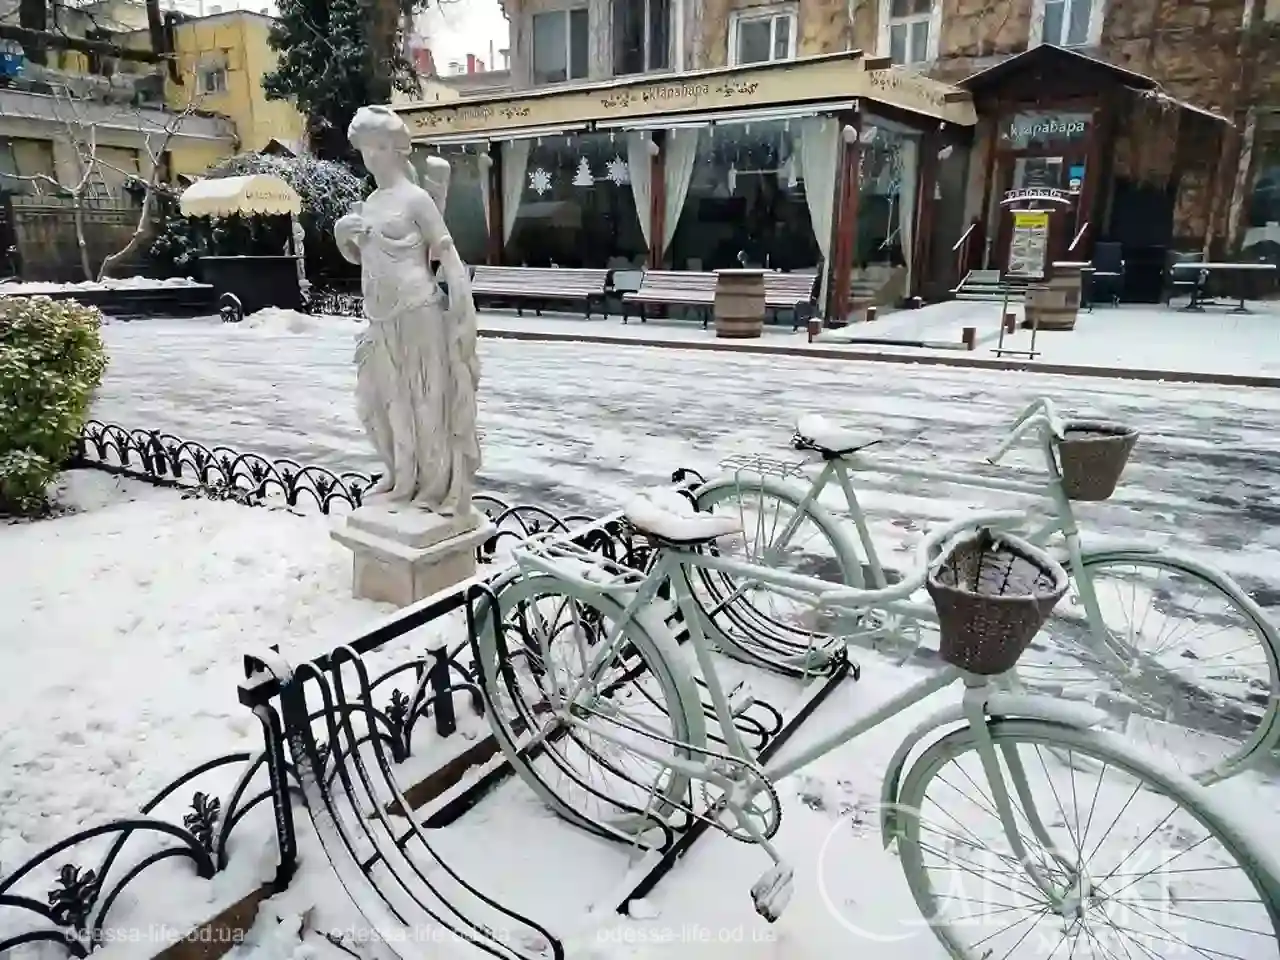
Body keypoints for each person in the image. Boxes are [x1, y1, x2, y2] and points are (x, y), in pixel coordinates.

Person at [334, 105, 480, 518]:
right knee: (383, 402)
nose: (373, 155)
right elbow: (363, 257)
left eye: (381, 146)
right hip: (380, 316)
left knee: (425, 401)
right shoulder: (371, 202)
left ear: (398, 149)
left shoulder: (416, 199)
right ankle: (402, 476)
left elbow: (445, 251)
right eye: (367, 147)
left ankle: (432, 486)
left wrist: (462, 306)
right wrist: (344, 236)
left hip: (418, 310)